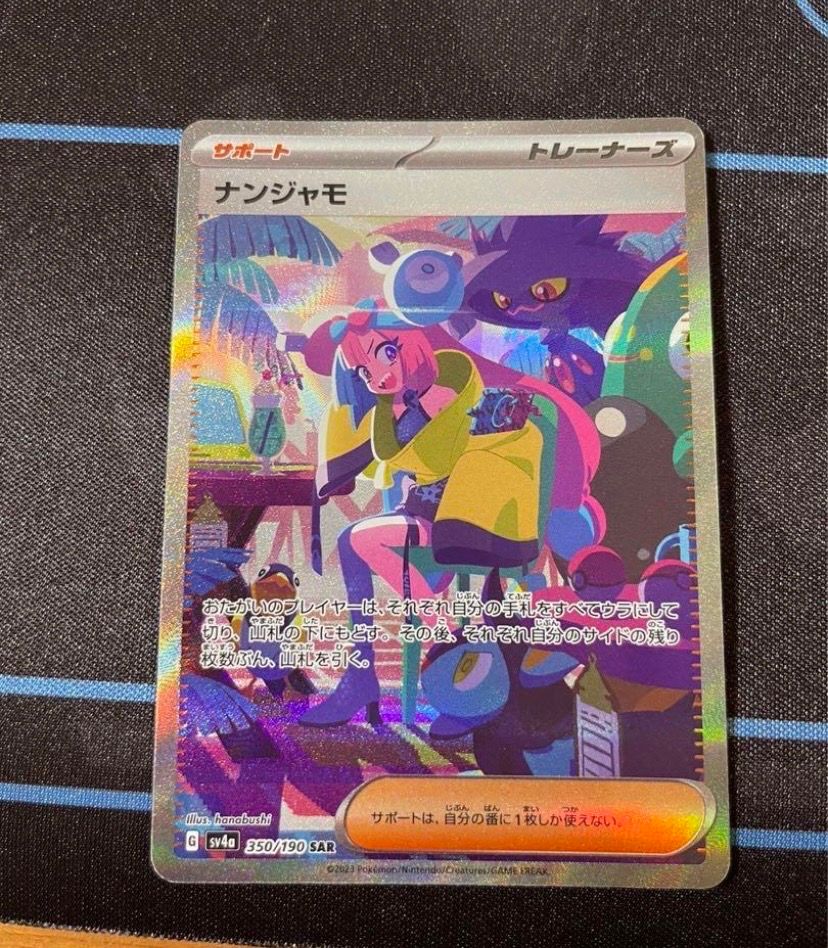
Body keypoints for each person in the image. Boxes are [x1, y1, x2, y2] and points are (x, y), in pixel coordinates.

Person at [301, 308, 547, 727]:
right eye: (364, 371)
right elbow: (389, 454)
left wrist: (392, 412)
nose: (377, 376)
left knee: (358, 540)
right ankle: (366, 672)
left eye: (386, 354)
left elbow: (428, 455)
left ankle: (442, 632)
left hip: (462, 515)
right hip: (425, 512)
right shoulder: (395, 404)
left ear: (410, 346)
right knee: (354, 542)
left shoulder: (449, 389)